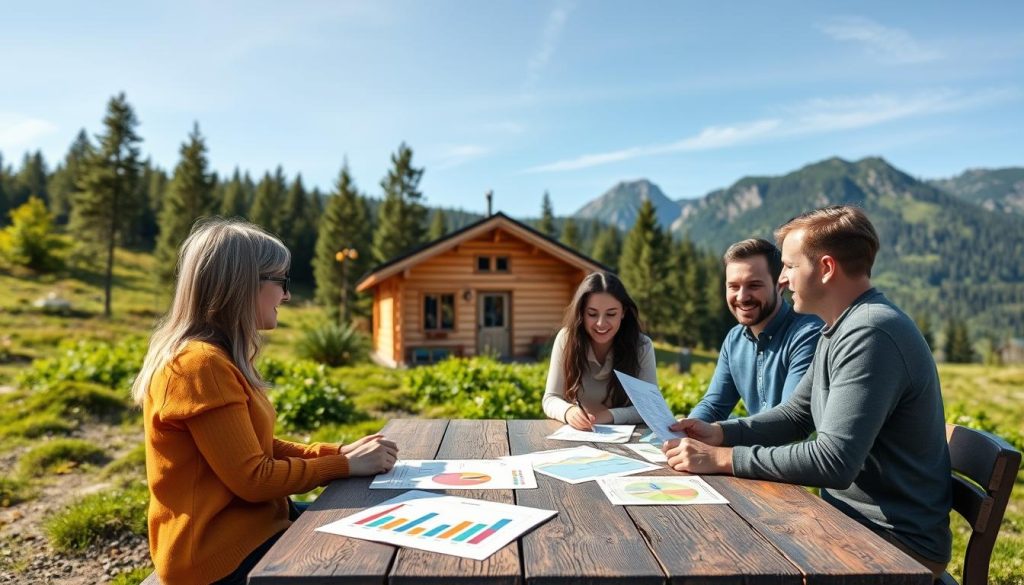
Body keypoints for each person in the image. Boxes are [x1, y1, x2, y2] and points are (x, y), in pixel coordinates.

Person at [663, 206, 951, 578]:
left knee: (719, 557)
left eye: (789, 266)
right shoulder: (840, 327)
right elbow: (795, 416)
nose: (782, 278)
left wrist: (721, 459)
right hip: (850, 523)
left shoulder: (871, 333)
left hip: (894, 544)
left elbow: (834, 461)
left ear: (827, 268)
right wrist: (718, 433)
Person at [131, 218, 398, 585]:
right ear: (241, 286)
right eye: (280, 282)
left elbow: (257, 448)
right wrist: (342, 465)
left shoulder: (214, 359)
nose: (286, 296)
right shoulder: (200, 365)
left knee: (382, 526)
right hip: (216, 556)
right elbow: (253, 478)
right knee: (375, 553)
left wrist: (338, 452)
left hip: (248, 530)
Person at [688, 238, 822, 422]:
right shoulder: (734, 339)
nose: (742, 297)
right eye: (733, 286)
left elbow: (790, 420)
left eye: (754, 285)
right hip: (754, 447)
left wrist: (719, 432)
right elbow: (714, 406)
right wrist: (688, 430)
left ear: (780, 285)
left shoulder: (807, 335)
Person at [542, 272, 657, 430]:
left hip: (630, 440)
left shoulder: (642, 346)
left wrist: (609, 415)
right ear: (581, 312)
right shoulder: (567, 339)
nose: (601, 323)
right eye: (592, 314)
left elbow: (650, 408)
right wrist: (568, 411)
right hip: (578, 436)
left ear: (623, 312)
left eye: (611, 314)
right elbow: (550, 399)